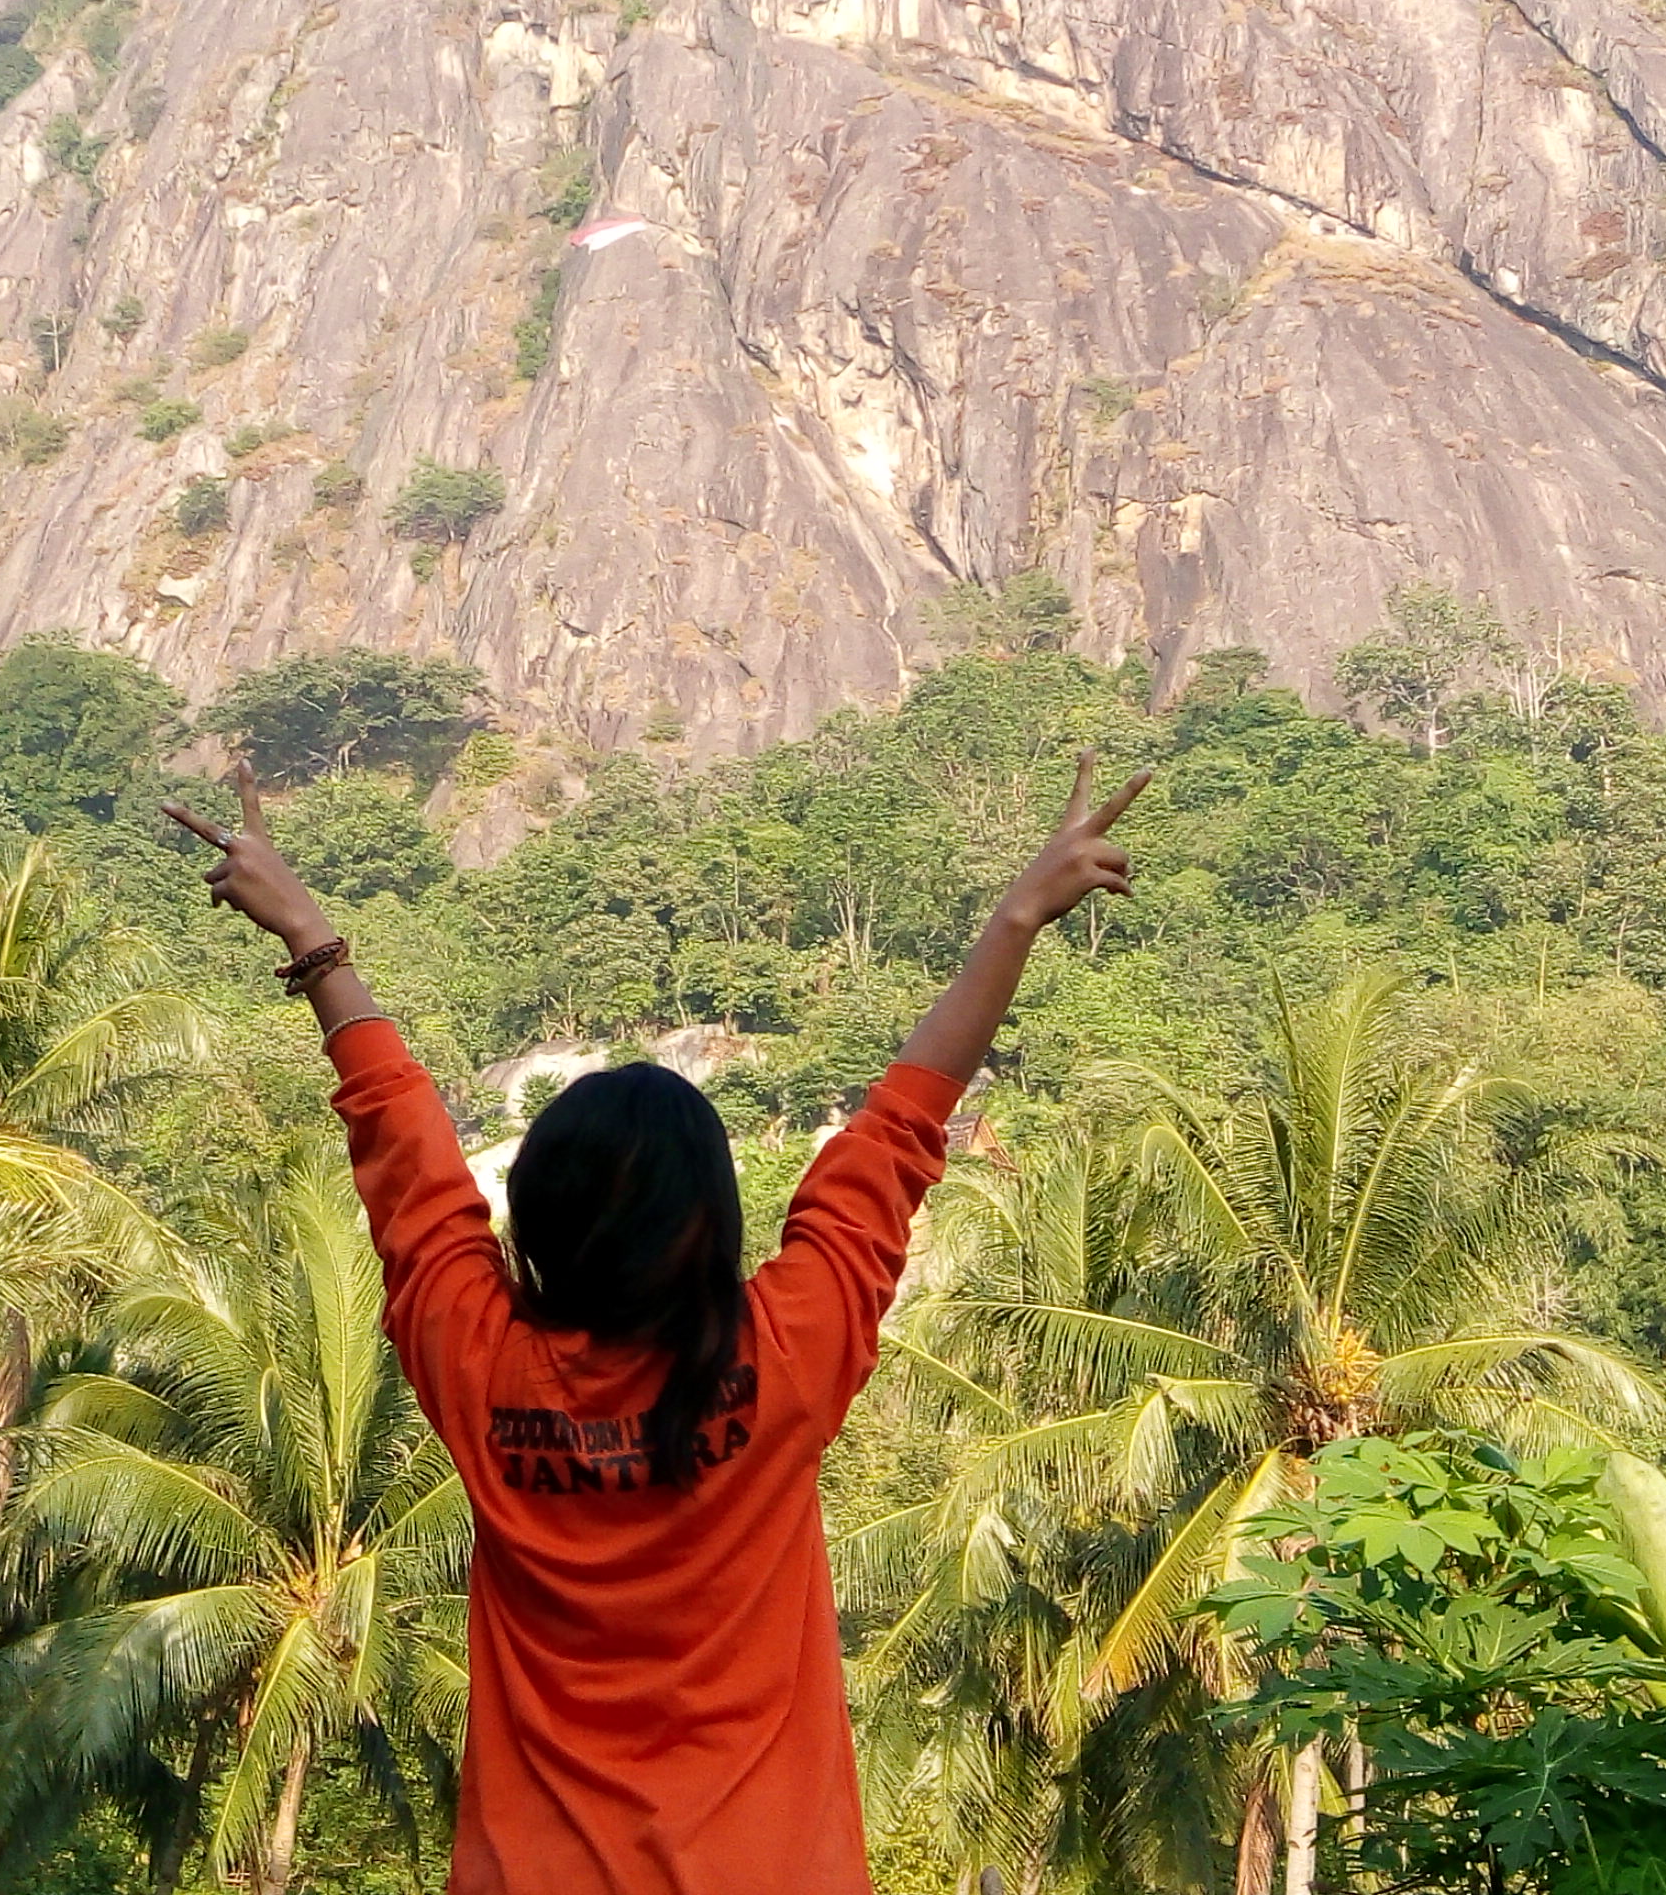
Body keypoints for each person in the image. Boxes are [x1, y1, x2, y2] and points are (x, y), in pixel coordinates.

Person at [167, 748, 1148, 1895]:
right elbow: (900, 1129)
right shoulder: (786, 1357)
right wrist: (1020, 915)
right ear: (714, 1225)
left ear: (534, 1220)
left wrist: (313, 940)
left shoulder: (483, 1369)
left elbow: (406, 1153)